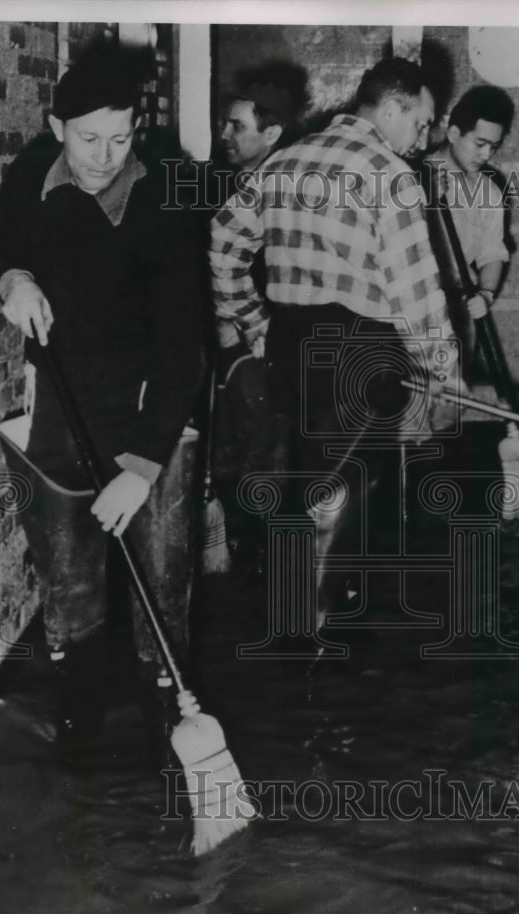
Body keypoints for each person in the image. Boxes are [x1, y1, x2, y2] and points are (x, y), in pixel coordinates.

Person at [0, 53, 204, 746]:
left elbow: (181, 345)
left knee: (161, 577)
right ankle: (81, 727)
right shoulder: (31, 176)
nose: (104, 156)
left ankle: (169, 719)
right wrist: (12, 279)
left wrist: (141, 465)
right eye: (87, 138)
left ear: (139, 129)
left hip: (154, 407)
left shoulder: (170, 193)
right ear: (57, 127)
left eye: (121, 138)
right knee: (68, 578)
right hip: (63, 407)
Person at [211, 57, 457, 630]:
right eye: (420, 122)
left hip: (292, 346)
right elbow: (416, 293)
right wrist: (439, 374)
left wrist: (255, 322)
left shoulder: (284, 161)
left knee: (305, 477)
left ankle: (297, 621)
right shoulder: (387, 173)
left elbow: (222, 239)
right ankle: (317, 641)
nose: (422, 137)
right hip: (359, 352)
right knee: (341, 493)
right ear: (391, 109)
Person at [213, 78, 299, 573]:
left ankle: (266, 552)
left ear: (271, 135)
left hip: (269, 342)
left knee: (266, 446)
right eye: (227, 122)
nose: (225, 133)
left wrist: (249, 325)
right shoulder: (238, 182)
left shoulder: (279, 186)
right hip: (247, 339)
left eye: (237, 126)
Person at [420, 86, 514, 373]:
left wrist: (485, 294)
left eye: (494, 146)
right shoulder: (412, 176)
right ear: (453, 134)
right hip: (415, 306)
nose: (486, 154)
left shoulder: (489, 191)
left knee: (452, 402)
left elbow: (492, 253)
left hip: (460, 306)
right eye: (480, 143)